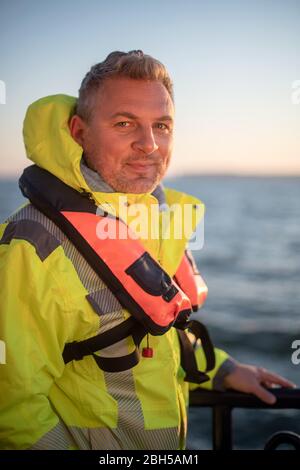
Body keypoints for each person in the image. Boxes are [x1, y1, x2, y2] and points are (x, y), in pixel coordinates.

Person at [0, 50, 294, 450]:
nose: (149, 144)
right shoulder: (32, 248)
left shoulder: (150, 218)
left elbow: (149, 335)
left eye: (162, 125)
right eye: (125, 123)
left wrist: (220, 370)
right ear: (78, 131)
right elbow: (11, 407)